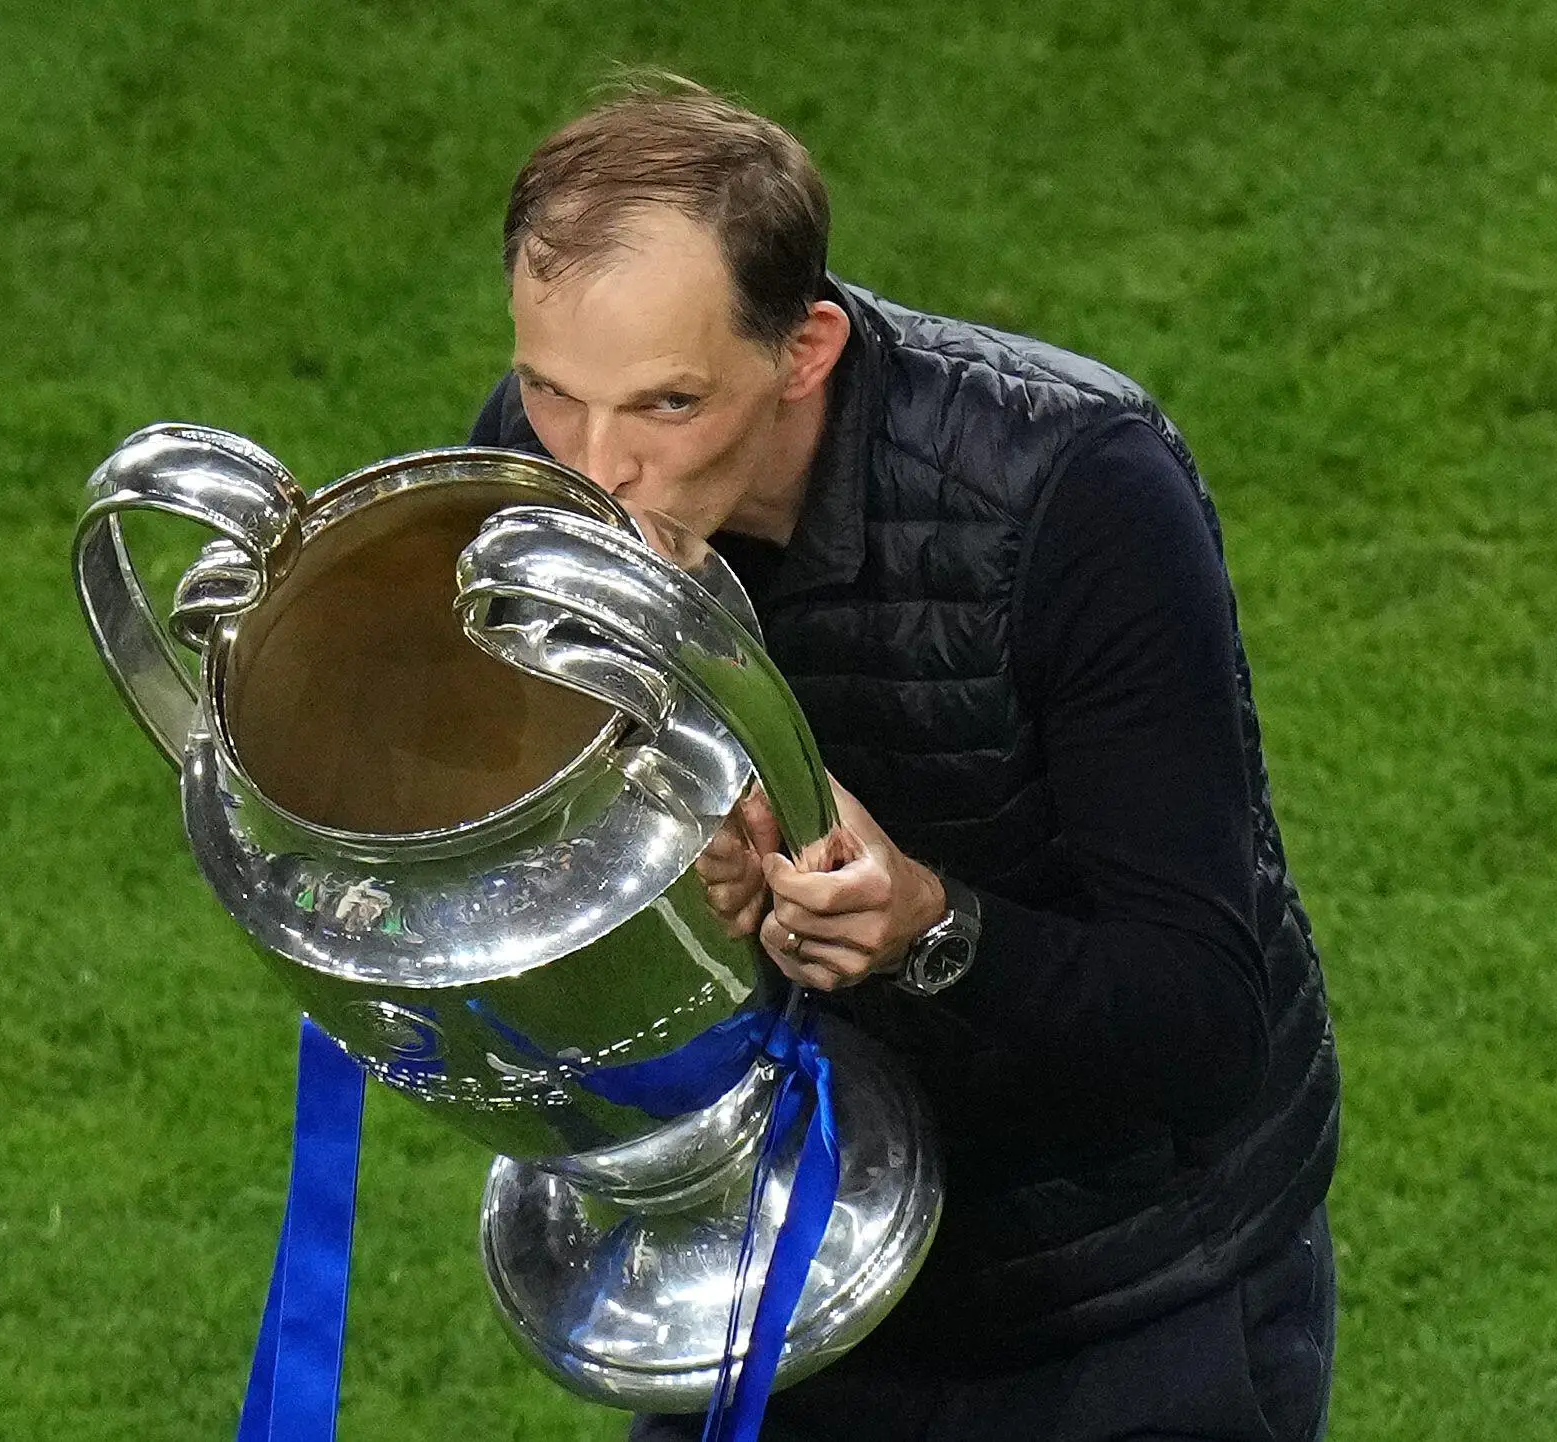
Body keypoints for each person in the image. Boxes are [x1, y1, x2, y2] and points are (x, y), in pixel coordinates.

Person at [468, 77, 1341, 1442]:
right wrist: (651, 866)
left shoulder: (1079, 497)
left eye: (670, 403)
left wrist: (930, 929)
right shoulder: (541, 471)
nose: (597, 468)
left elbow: (1205, 1022)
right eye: (550, 389)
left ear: (807, 349)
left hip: (1122, 1298)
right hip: (775, 1278)